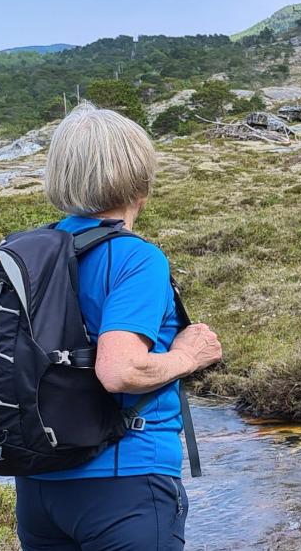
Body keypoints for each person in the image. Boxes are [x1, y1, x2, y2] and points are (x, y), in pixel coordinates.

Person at [17, 103, 223, 550]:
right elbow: (121, 372)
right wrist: (188, 356)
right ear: (139, 180)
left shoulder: (29, 252)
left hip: (38, 485)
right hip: (124, 481)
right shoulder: (135, 257)